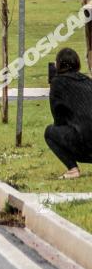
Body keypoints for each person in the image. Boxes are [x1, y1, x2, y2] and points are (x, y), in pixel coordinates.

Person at [45, 48, 92, 179]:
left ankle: (72, 169)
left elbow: (58, 119)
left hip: (84, 143)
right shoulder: (87, 81)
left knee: (50, 132)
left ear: (58, 64)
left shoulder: (58, 82)